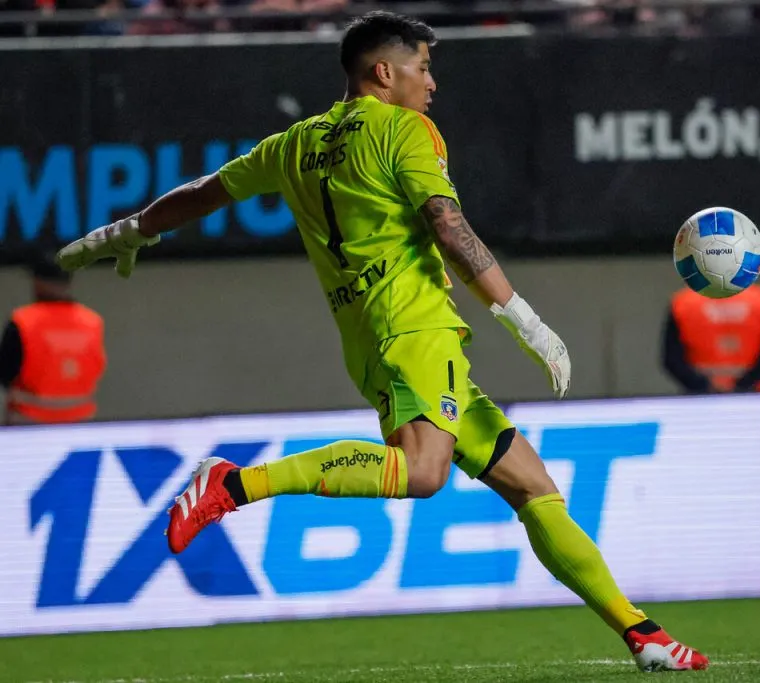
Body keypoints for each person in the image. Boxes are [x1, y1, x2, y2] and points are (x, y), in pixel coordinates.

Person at [56, 11, 708, 672]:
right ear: (383, 72)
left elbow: (203, 193)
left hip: (371, 339)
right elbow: (448, 227)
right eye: (423, 68)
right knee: (423, 472)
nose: (432, 84)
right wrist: (526, 321)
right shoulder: (405, 130)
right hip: (414, 332)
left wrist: (132, 230)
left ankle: (640, 633)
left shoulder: (292, 144)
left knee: (532, 485)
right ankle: (234, 481)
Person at [1, 252, 107, 425]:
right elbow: (97, 366)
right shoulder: (92, 321)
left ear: (38, 282)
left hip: (28, 420)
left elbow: (6, 372)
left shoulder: (22, 321)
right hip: (80, 420)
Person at [662, 282, 760, 394]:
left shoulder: (683, 301)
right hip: (758, 394)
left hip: (700, 398)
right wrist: (743, 384)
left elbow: (672, 358)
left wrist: (702, 385)